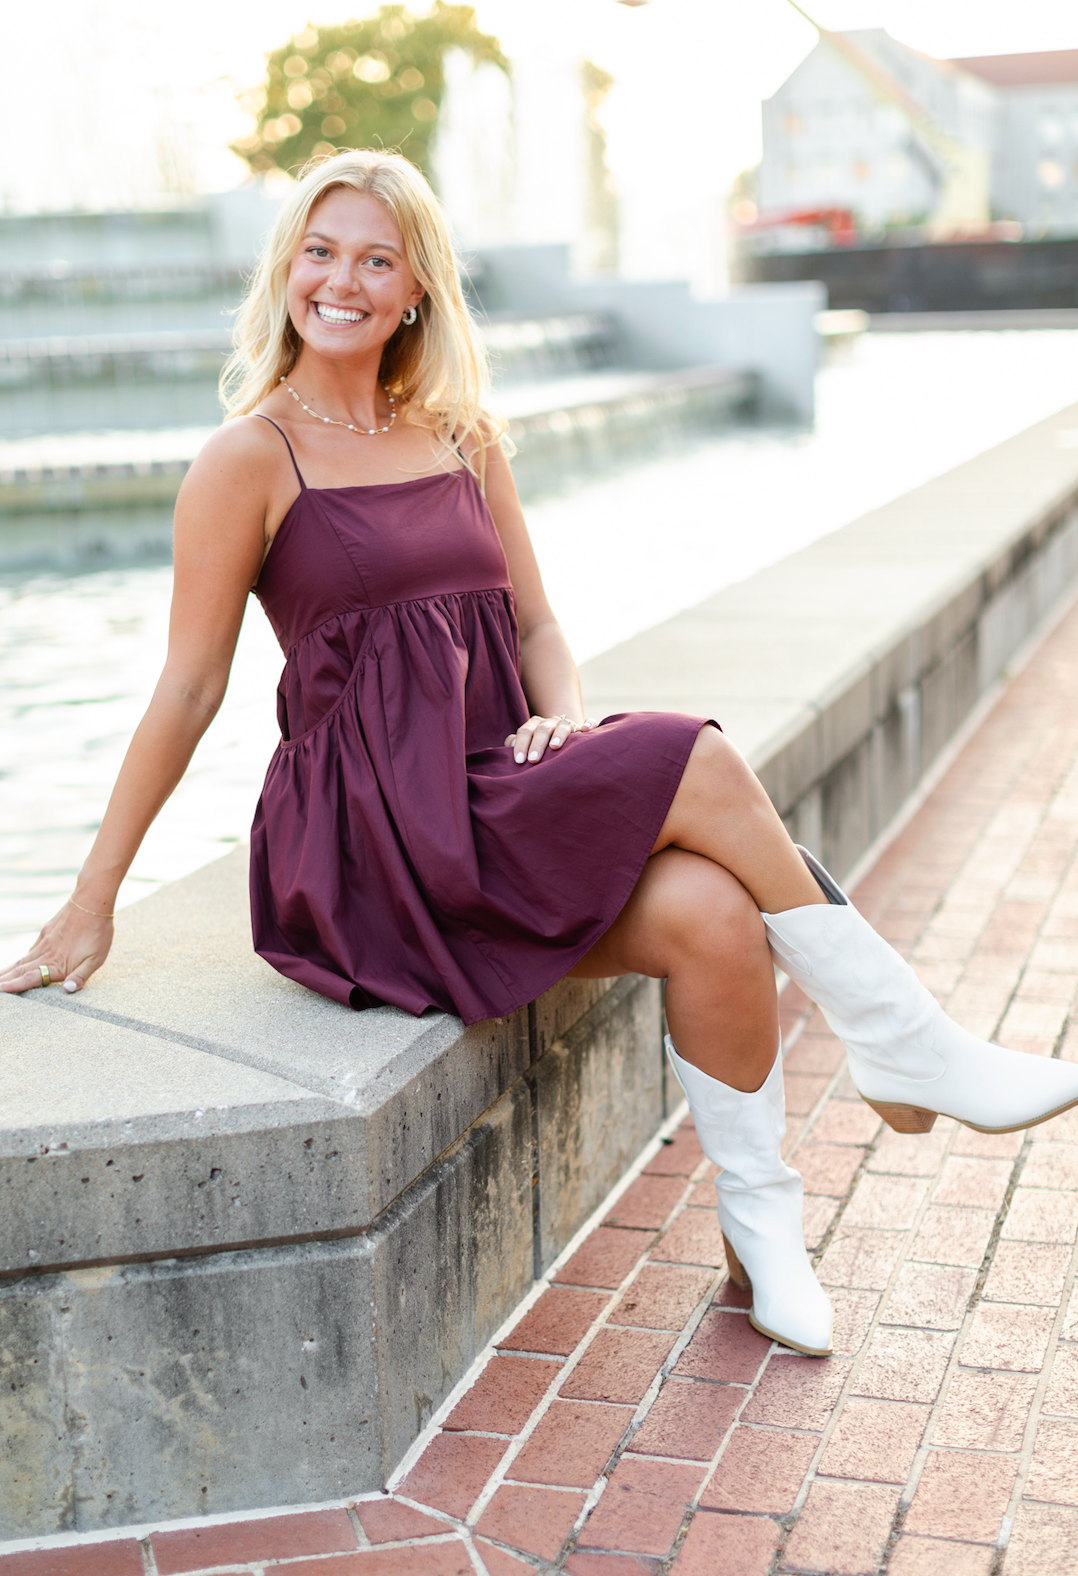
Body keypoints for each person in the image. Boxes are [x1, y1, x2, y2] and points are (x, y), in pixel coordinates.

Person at [6, 150, 1078, 1361]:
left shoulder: (462, 434)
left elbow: (535, 626)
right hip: (368, 838)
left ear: (416, 287)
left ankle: (763, 1238)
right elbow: (190, 685)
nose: (340, 280)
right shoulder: (249, 457)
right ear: (284, 270)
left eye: (374, 258)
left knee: (713, 913)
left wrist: (560, 713)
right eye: (319, 251)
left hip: (489, 789)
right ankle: (903, 1042)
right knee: (700, 758)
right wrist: (93, 900)